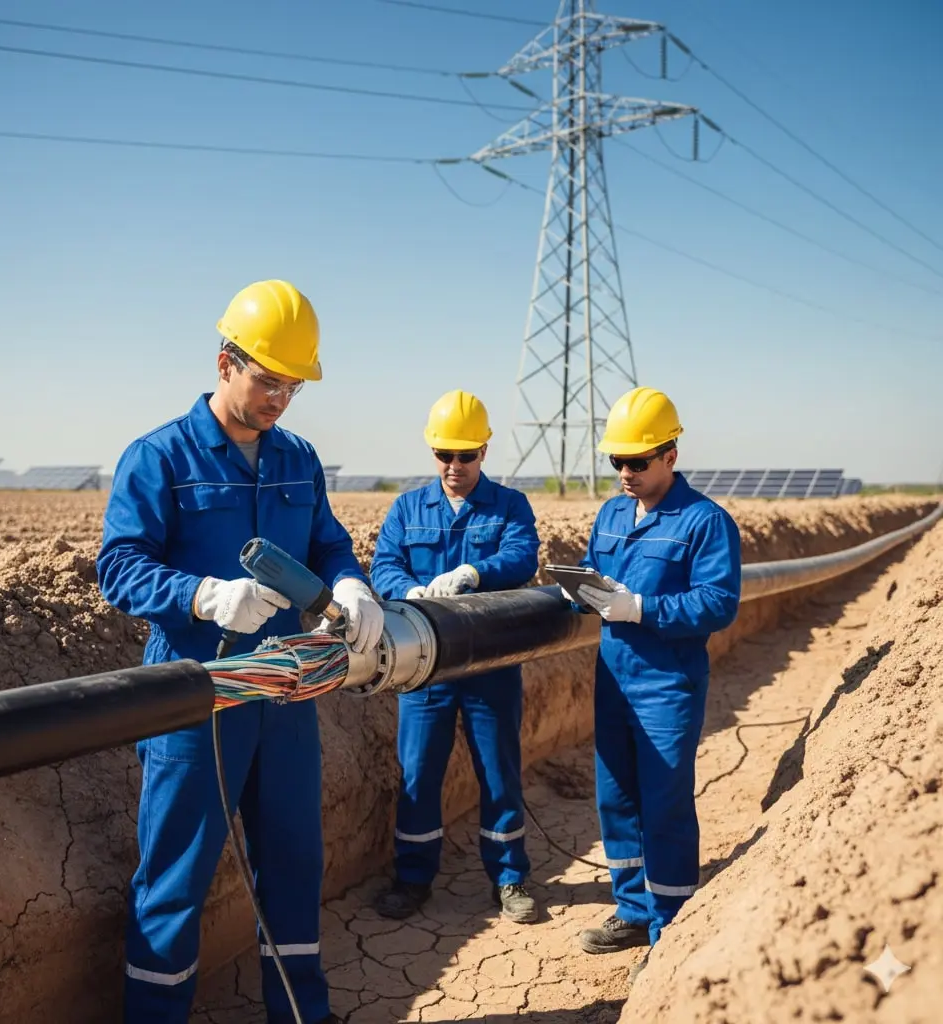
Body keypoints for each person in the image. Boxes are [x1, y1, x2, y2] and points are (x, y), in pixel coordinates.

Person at [96, 279, 384, 1024]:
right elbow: (119, 565)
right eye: (267, 381)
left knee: (293, 869)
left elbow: (328, 544)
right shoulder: (158, 458)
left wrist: (353, 587)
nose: (280, 399)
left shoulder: (298, 459)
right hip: (196, 697)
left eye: (292, 386)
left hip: (285, 693)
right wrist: (203, 596)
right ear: (226, 362)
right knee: (175, 883)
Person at [568, 386, 741, 985]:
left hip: (666, 683)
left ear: (670, 455)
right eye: (616, 461)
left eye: (637, 462)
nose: (624, 473)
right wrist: (579, 591)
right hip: (613, 676)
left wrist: (641, 607)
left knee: (663, 802)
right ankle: (634, 911)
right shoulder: (612, 514)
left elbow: (718, 603)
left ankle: (670, 922)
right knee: (616, 798)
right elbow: (597, 575)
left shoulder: (705, 522)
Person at [368, 390, 542, 924]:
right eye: (444, 454)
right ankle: (413, 877)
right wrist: (406, 590)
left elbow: (522, 556)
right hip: (425, 668)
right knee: (419, 773)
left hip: (490, 663)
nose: (454, 466)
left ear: (484, 452)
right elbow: (384, 565)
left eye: (465, 455)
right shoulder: (408, 508)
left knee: (499, 772)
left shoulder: (509, 506)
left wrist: (474, 573)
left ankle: (510, 879)